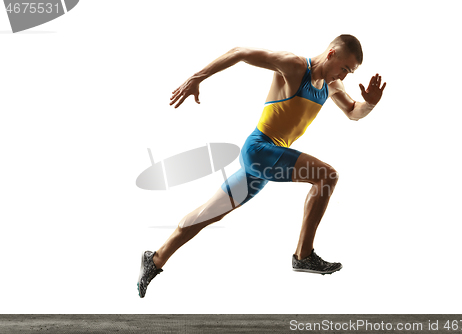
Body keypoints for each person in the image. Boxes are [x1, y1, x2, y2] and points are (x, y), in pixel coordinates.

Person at [137, 34, 386, 298]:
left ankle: (155, 259)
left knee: (207, 215)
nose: (344, 76)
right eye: (344, 68)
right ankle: (303, 255)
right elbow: (239, 51)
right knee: (327, 176)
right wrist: (197, 77)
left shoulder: (331, 85)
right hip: (259, 150)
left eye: (350, 72)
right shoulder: (294, 66)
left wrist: (369, 103)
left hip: (265, 161)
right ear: (332, 54)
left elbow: (352, 112)